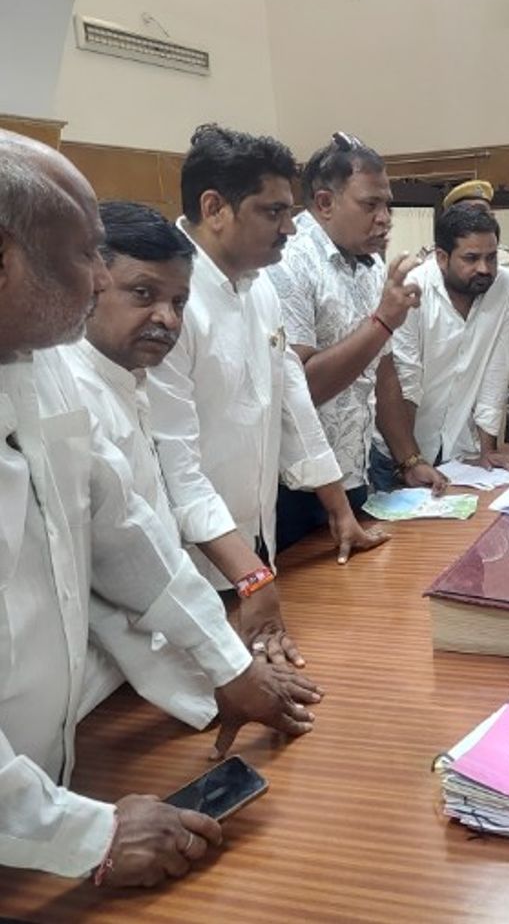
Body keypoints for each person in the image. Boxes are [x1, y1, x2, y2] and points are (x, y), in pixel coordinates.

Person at [0, 132, 321, 885]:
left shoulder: (41, 366)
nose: (97, 280)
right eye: (83, 256)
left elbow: (126, 535)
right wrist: (85, 836)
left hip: (45, 790)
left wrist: (229, 664)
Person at [147, 125, 387, 668]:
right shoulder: (169, 302)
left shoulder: (258, 288)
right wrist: (250, 576)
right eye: (273, 212)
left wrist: (340, 511)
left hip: (255, 551)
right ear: (215, 208)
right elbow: (175, 467)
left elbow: (293, 404)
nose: (290, 228)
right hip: (190, 563)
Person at [58, 201, 219, 725]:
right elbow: (118, 564)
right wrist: (220, 674)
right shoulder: (74, 395)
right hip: (91, 691)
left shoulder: (126, 380)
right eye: (143, 294)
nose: (167, 319)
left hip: (135, 679)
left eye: (179, 301)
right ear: (91, 283)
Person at [266, 132, 432, 541]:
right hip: (297, 486)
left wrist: (409, 461)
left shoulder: (369, 265)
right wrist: (382, 322)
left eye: (387, 205)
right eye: (370, 205)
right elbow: (300, 386)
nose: (385, 218)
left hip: (353, 472)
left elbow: (383, 371)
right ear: (325, 203)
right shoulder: (289, 262)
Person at [371, 204, 509, 490]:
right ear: (442, 257)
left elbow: (496, 370)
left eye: (491, 257)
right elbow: (406, 379)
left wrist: (488, 450)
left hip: (458, 451)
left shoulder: (507, 287)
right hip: (396, 451)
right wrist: (410, 461)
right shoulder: (413, 287)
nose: (484, 269)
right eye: (471, 258)